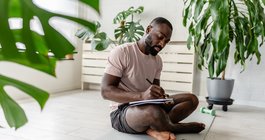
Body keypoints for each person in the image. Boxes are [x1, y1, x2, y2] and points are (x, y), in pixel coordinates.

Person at [101, 17, 205, 140]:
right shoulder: (122, 52)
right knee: (153, 112)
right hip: (123, 112)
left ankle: (156, 127)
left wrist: (160, 95)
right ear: (149, 29)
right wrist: (142, 96)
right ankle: (176, 127)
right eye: (160, 37)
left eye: (166, 41)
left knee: (191, 99)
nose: (162, 44)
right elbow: (105, 91)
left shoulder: (157, 61)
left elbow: (155, 91)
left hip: (148, 105)